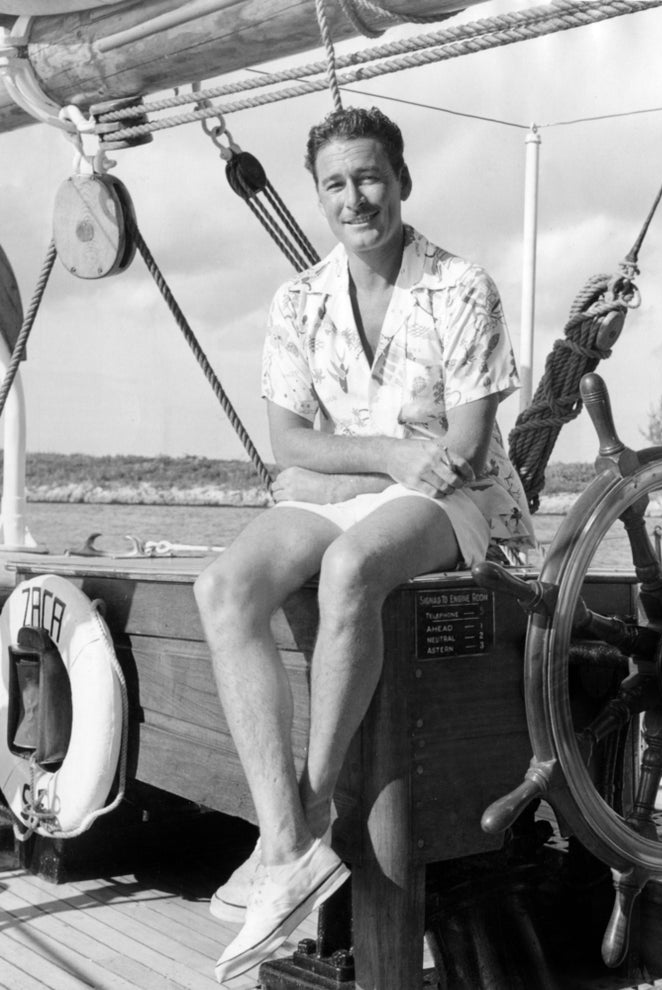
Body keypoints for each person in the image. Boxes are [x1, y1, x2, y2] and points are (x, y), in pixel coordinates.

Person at [193, 105, 534, 983]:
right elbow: (289, 445)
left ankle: (306, 816)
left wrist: (335, 475)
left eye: (370, 177)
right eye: (337, 184)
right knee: (223, 588)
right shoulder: (299, 300)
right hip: (368, 483)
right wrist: (380, 454)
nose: (356, 198)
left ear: (403, 181)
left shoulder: (463, 287)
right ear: (317, 196)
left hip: (458, 504)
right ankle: (286, 844)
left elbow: (458, 449)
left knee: (350, 570)